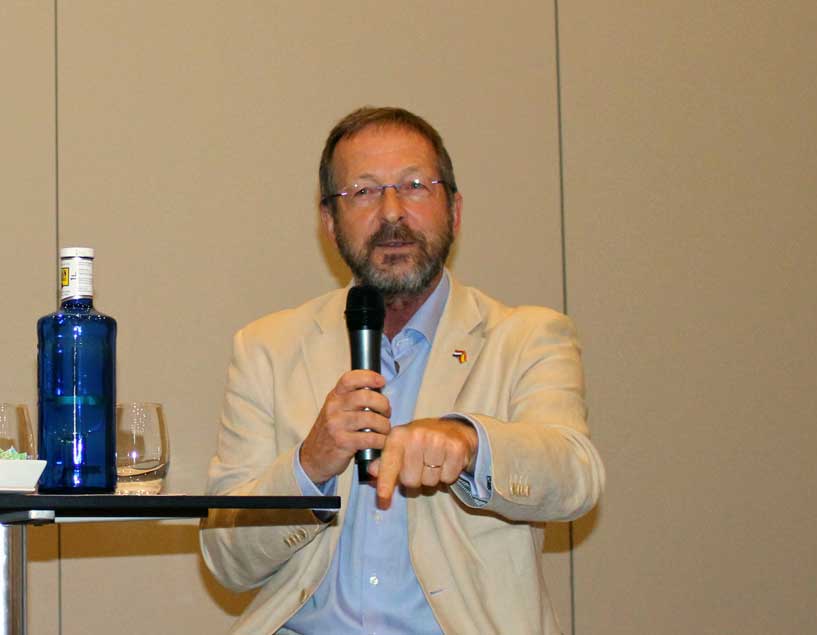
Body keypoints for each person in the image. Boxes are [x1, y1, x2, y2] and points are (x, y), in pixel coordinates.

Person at [200, 106, 604, 635]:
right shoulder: (267, 349)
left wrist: (469, 443)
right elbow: (226, 560)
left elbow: (575, 477)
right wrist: (309, 466)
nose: (392, 212)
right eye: (364, 191)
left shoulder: (525, 336)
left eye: (414, 186)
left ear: (454, 210)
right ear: (329, 223)